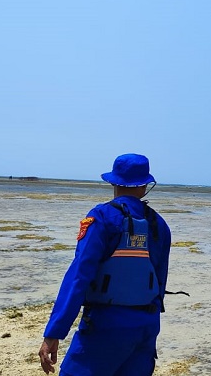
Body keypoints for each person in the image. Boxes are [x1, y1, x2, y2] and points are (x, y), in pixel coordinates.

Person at [38, 153, 172, 375]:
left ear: (113, 182)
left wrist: (54, 332)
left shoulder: (102, 217)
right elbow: (159, 279)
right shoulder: (159, 225)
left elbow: (79, 276)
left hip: (105, 325)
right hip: (146, 326)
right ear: (145, 185)